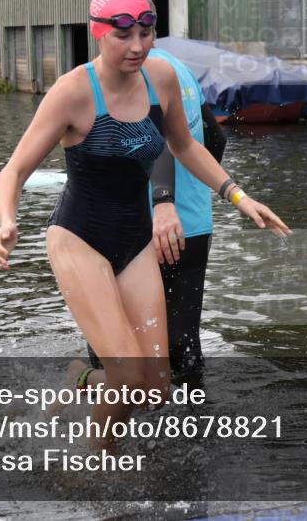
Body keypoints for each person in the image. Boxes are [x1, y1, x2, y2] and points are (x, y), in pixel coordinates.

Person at [0, 0, 289, 447]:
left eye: (146, 32)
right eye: (122, 35)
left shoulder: (161, 78)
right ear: (98, 33)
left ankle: (80, 378)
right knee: (128, 375)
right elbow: (13, 172)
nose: (136, 46)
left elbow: (186, 145)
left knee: (156, 387)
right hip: (79, 238)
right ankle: (97, 461)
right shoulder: (72, 93)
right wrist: (7, 221)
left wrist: (239, 196)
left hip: (135, 241)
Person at [86, 45, 227, 383]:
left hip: (142, 226)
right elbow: (216, 140)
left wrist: (163, 200)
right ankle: (194, 424)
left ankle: (93, 407)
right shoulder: (182, 70)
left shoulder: (137, 74)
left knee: (111, 346)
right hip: (193, 225)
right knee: (183, 344)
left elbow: (152, 138)